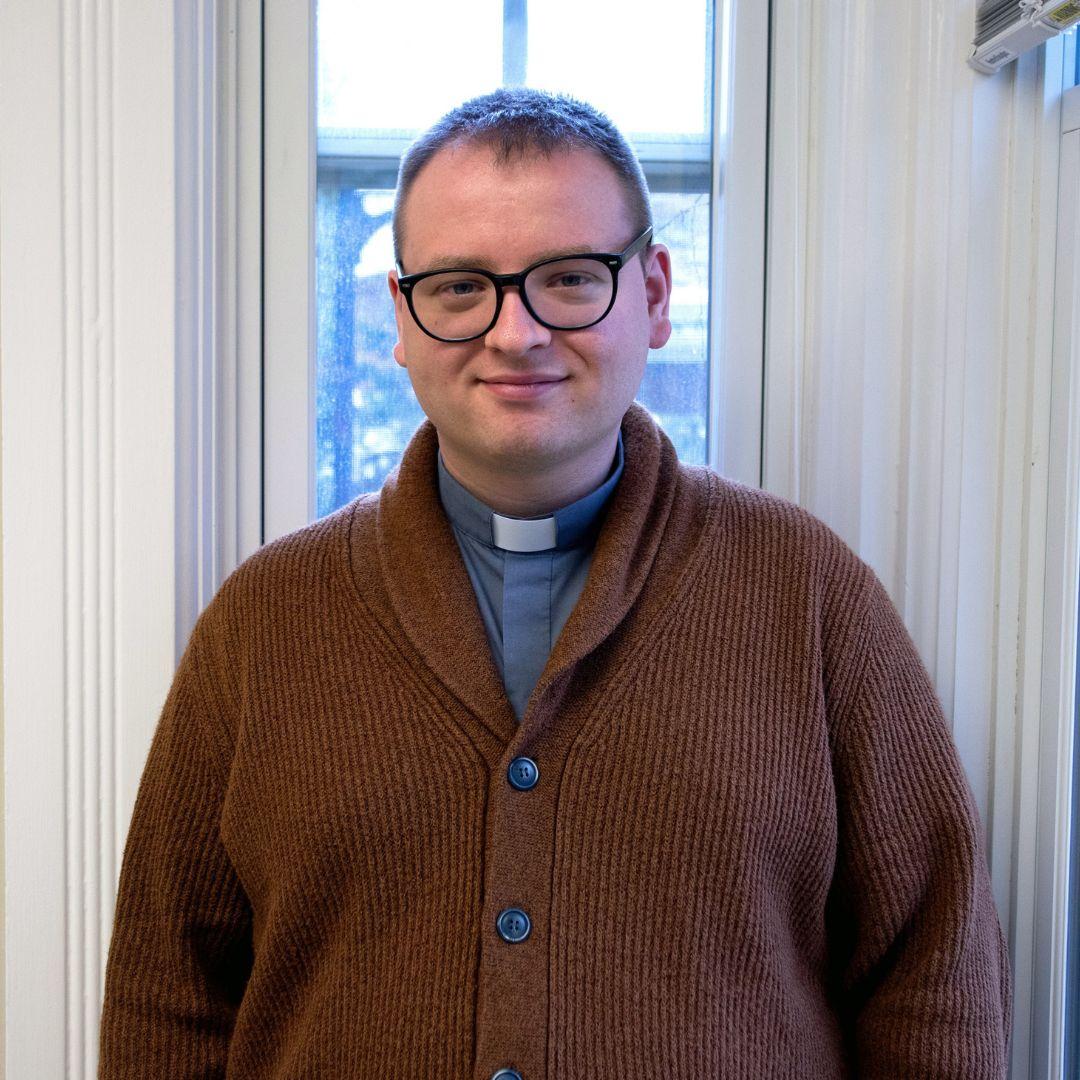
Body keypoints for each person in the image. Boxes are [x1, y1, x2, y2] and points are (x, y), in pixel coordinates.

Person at [98, 88, 1011, 1079]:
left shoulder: (809, 597)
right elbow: (167, 1000)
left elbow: (935, 982)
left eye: (570, 278)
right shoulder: (264, 623)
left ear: (654, 296)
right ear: (402, 318)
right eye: (459, 287)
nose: (516, 332)